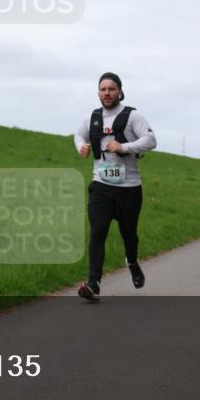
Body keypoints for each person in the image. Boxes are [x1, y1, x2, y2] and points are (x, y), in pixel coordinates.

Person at [73, 72, 157, 301]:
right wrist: (81, 146)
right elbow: (78, 135)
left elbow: (151, 141)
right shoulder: (92, 117)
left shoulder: (133, 116)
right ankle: (93, 284)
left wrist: (124, 147)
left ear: (120, 91)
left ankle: (131, 261)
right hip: (101, 187)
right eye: (103, 89)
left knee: (128, 234)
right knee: (98, 232)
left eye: (111, 89)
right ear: (98, 92)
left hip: (129, 189)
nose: (107, 93)